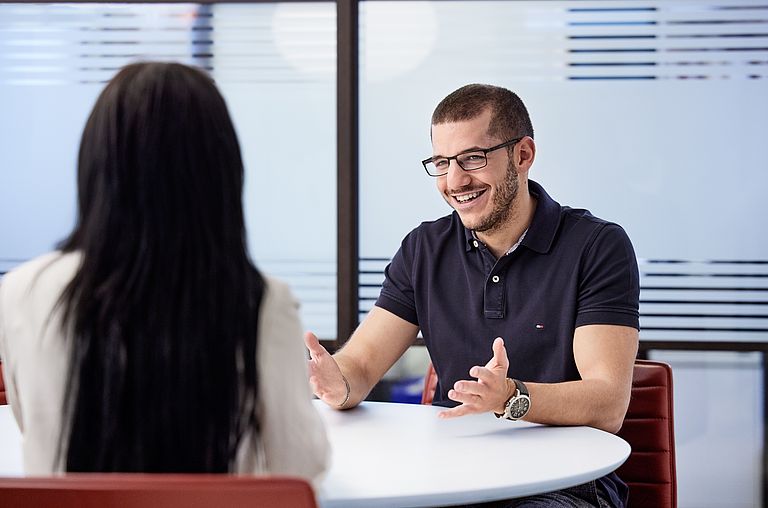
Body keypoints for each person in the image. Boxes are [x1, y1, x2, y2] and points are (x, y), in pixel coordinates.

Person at [305, 84, 639, 507]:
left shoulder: (596, 245)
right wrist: (339, 383)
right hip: (449, 476)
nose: (455, 181)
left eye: (473, 159)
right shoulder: (424, 248)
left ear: (523, 155)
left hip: (564, 485)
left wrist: (510, 397)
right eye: (441, 163)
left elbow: (609, 402)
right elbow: (363, 363)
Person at [0, 62, 328, 481]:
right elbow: (300, 463)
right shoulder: (257, 299)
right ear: (218, 173)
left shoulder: (22, 291)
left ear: (96, 165)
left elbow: (34, 425)